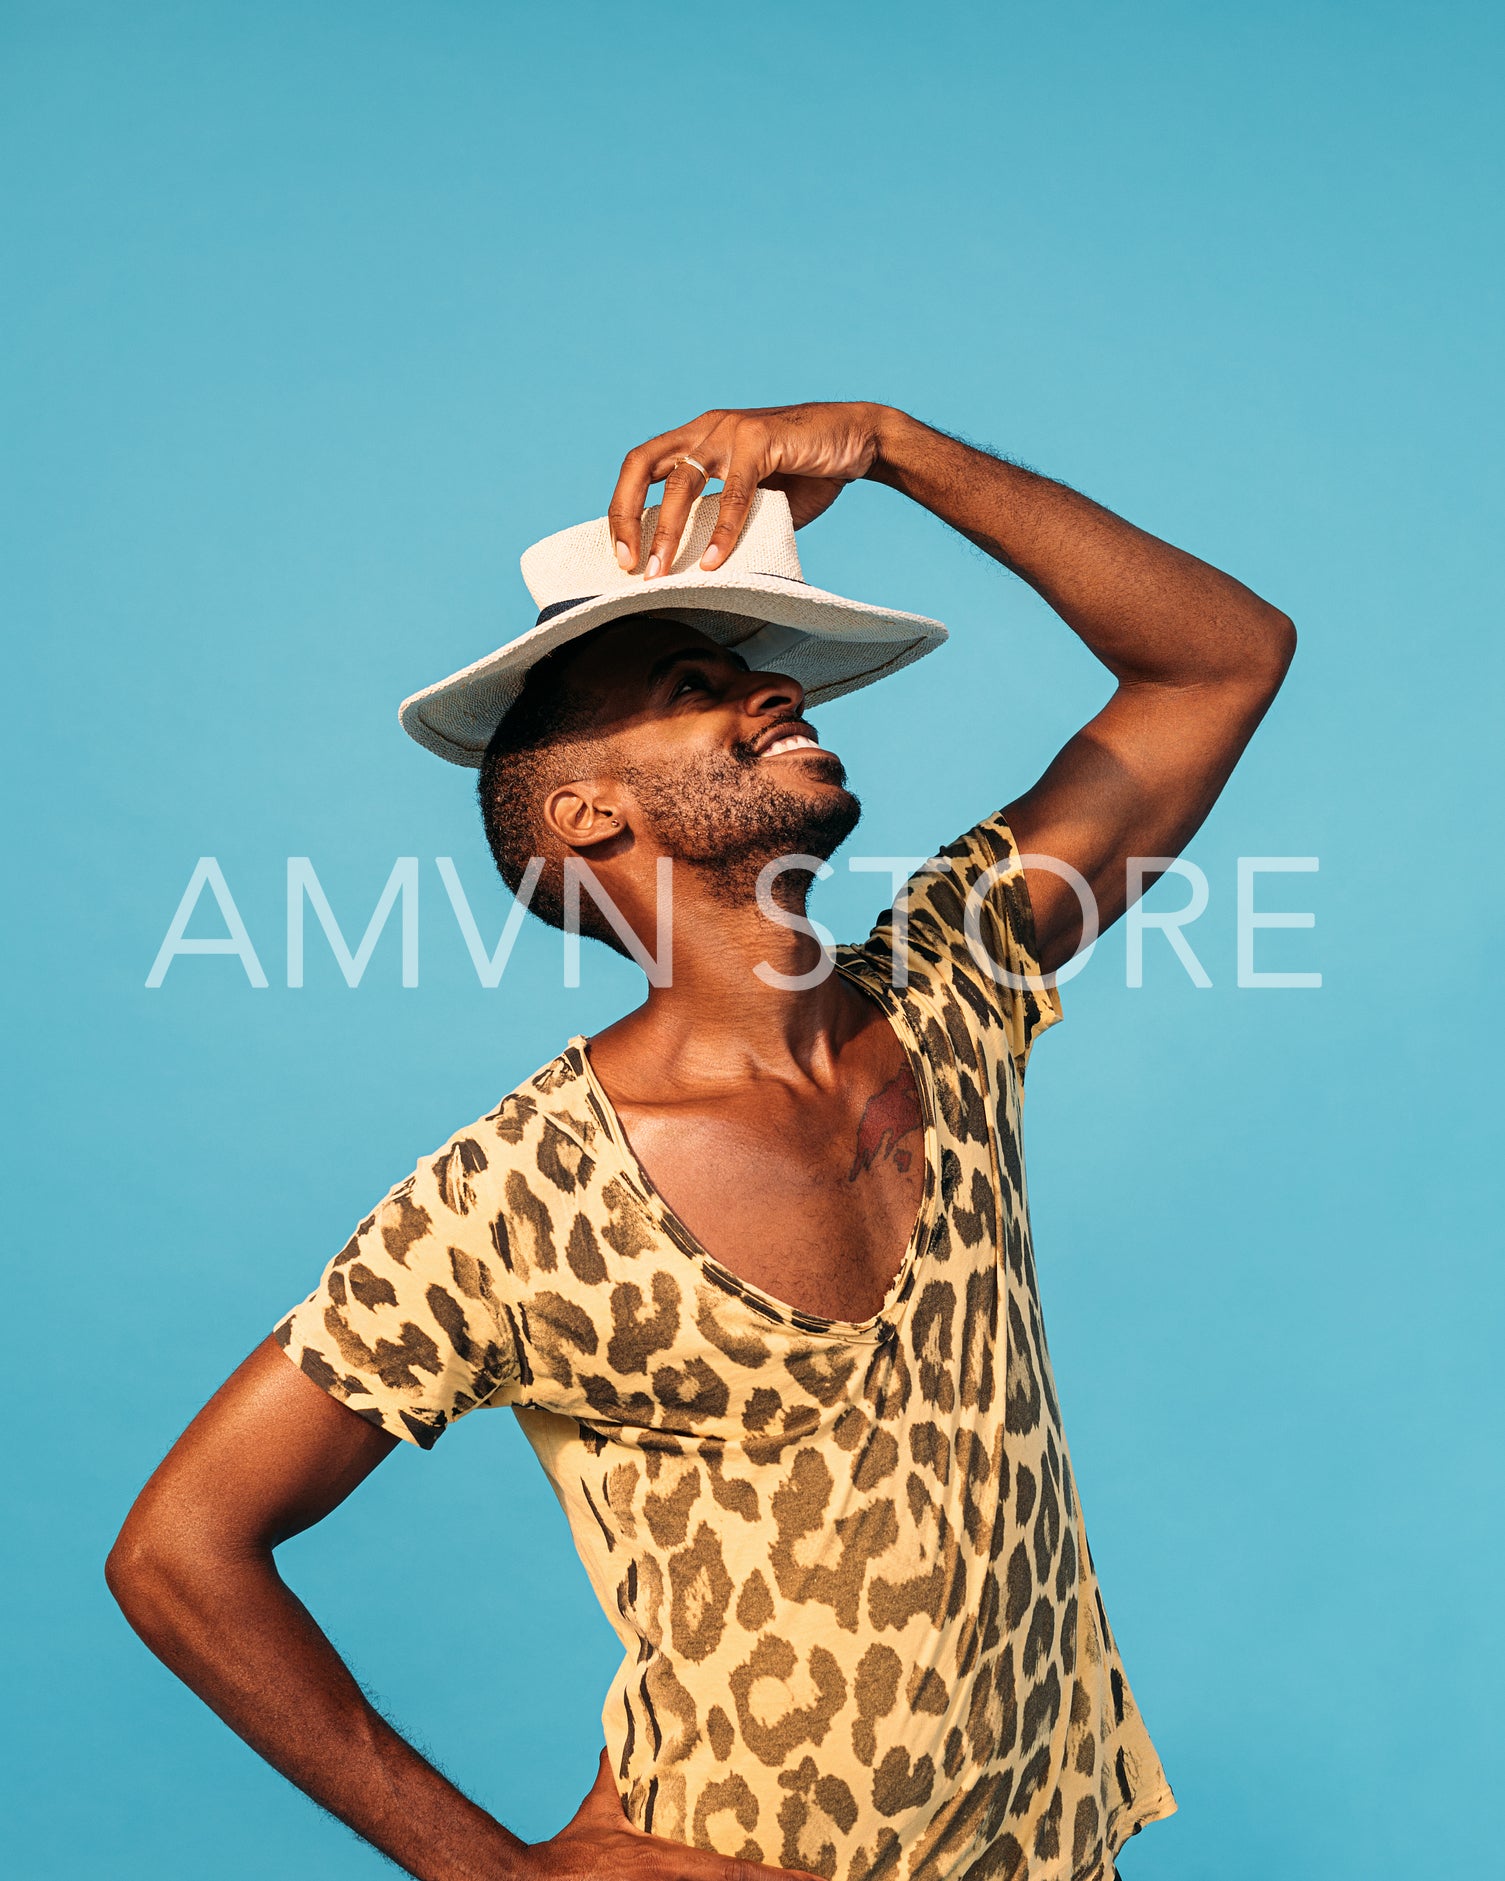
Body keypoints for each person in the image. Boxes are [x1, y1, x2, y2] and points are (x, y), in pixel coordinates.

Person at [107, 401, 1294, 1881]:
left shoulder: (951, 989)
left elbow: (1219, 657)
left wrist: (889, 444)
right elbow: (179, 1550)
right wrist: (503, 1875)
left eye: (759, 666)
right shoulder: (513, 1199)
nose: (778, 688)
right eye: (697, 679)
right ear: (591, 812)